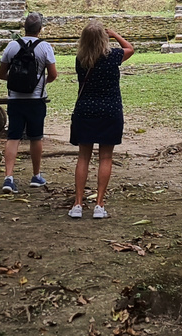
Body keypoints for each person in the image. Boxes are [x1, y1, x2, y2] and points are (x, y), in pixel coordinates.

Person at [68, 21, 134, 219]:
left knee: (83, 157)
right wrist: (115, 34)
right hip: (110, 110)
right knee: (105, 157)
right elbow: (130, 48)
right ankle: (99, 204)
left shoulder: (80, 59)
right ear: (104, 39)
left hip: (85, 110)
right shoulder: (113, 56)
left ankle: (78, 203)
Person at [0, 12, 57, 194]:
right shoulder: (45, 47)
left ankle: (8, 178)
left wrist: (17, 81)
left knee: (13, 137)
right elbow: (53, 74)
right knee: (35, 137)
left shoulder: (12, 46)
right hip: (36, 99)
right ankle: (36, 175)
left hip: (15, 99)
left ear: (24, 28)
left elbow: (1, 74)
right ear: (40, 29)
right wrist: (39, 82)